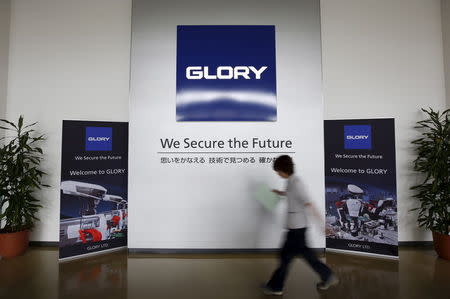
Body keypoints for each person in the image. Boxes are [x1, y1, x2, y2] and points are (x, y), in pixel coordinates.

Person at [263, 155, 338, 296]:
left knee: (285, 258)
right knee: (303, 256)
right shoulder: (290, 181)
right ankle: (327, 275)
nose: (277, 174)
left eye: (278, 171)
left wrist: (323, 226)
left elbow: (309, 204)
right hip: (295, 228)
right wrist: (279, 192)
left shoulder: (297, 183)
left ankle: (276, 286)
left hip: (297, 229)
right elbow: (291, 194)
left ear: (283, 169)